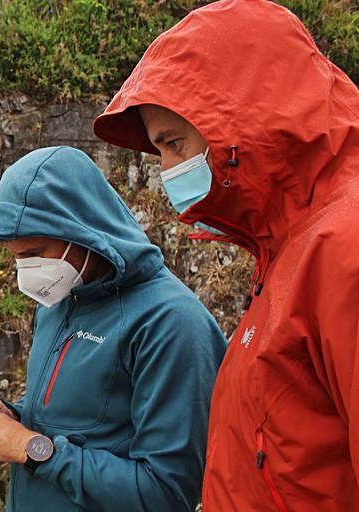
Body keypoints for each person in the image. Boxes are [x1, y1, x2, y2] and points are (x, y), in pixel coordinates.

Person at [92, 0, 359, 509]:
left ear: (243, 118)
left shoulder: (343, 247)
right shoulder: (286, 253)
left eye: (173, 144)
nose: (166, 169)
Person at [0, 146, 226, 511]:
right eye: (16, 256)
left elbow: (166, 493)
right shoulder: (61, 297)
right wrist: (15, 417)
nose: (24, 269)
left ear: (82, 232)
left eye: (34, 251)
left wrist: (29, 447)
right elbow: (81, 414)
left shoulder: (172, 323)